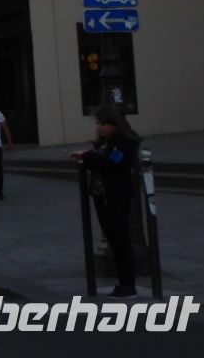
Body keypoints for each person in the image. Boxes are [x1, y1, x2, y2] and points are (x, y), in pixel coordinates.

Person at [73, 105, 142, 297]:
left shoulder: (122, 143)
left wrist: (88, 157)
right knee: (114, 238)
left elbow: (111, 163)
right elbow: (100, 163)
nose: (100, 128)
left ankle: (128, 284)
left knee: (120, 239)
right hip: (102, 195)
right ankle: (123, 283)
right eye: (98, 124)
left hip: (115, 195)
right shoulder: (104, 143)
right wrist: (90, 158)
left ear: (114, 125)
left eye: (104, 124)